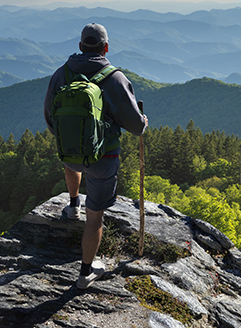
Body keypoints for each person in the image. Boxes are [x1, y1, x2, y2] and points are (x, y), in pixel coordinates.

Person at [44, 22, 148, 289]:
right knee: (96, 218)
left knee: (73, 162)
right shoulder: (115, 79)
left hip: (69, 154)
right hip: (104, 159)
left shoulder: (61, 74)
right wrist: (143, 121)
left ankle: (72, 204)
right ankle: (85, 273)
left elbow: (50, 117)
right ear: (106, 47)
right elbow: (136, 127)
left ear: (80, 46)